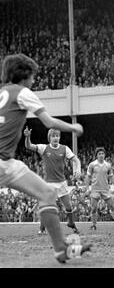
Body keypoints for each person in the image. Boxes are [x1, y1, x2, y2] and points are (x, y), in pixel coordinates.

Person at [0, 53, 91, 263]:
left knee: (48, 193)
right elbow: (49, 122)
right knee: (47, 194)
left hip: (8, 163)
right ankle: (61, 249)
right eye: (32, 76)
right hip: (3, 162)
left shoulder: (3, 92)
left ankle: (61, 249)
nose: (34, 80)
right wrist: (73, 127)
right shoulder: (22, 92)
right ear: (24, 74)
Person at [24, 127, 81, 234]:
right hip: (49, 184)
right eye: (53, 136)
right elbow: (28, 146)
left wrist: (77, 169)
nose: (56, 138)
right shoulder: (44, 148)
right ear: (49, 138)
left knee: (69, 206)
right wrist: (27, 137)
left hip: (62, 183)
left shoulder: (65, 148)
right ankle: (42, 228)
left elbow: (76, 160)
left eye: (57, 136)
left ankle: (71, 223)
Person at [85, 147, 114, 230]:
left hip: (105, 189)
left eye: (102, 153)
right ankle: (94, 225)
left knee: (112, 206)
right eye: (99, 154)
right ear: (96, 155)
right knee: (94, 208)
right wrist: (87, 188)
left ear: (104, 155)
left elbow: (112, 177)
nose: (101, 155)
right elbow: (88, 177)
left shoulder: (108, 165)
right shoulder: (92, 165)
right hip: (95, 189)